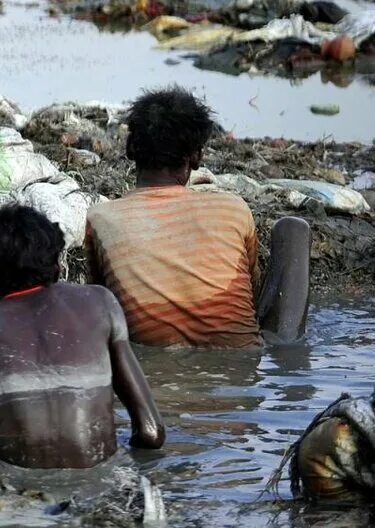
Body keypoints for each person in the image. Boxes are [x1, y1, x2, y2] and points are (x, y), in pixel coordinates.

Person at [84, 87, 311, 348]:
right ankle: (287, 348)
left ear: (131, 148)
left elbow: (103, 305)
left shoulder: (101, 218)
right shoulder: (233, 208)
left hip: (156, 362)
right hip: (244, 362)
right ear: (197, 157)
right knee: (293, 227)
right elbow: (252, 288)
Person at [0, 205, 164, 469]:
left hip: (17, 497)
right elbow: (151, 434)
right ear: (56, 265)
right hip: (104, 489)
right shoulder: (100, 304)